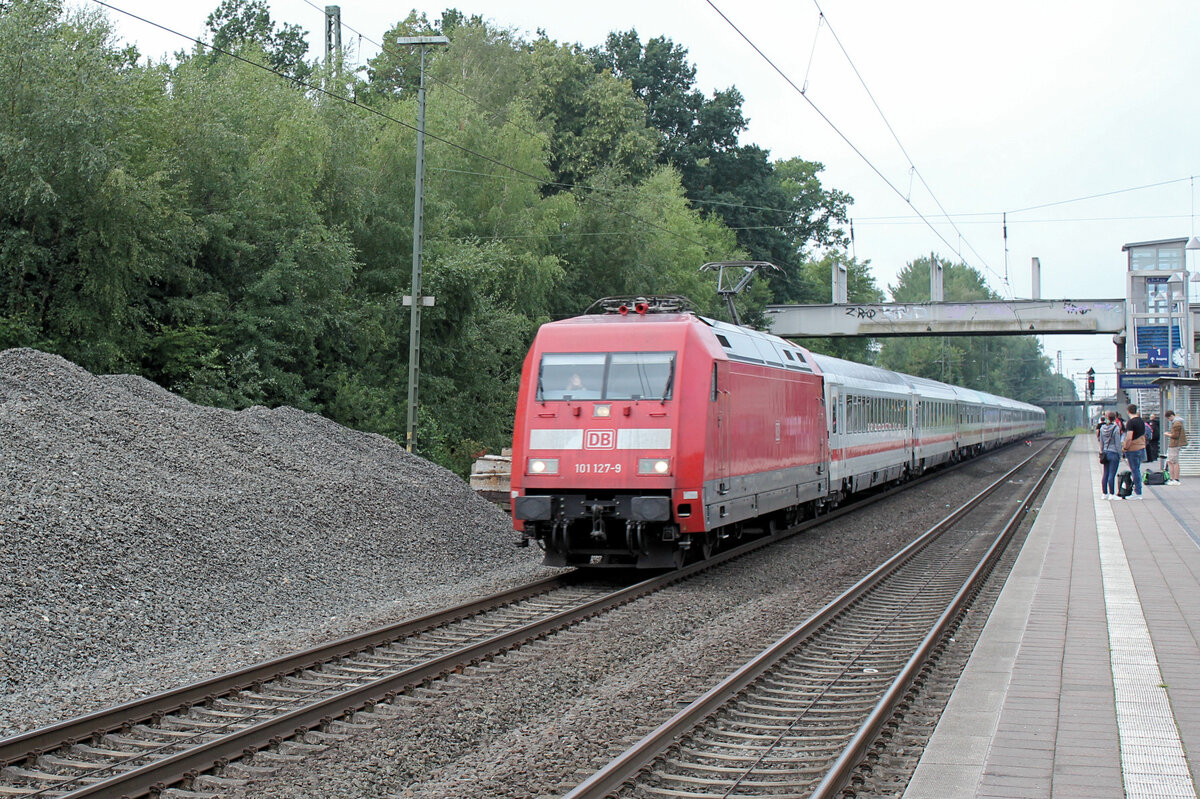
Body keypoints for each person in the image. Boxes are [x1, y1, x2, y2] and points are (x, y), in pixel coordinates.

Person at [1122, 403, 1147, 499]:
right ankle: (1138, 491)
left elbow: (1129, 438)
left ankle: (1138, 493)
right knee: (1137, 469)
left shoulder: (1130, 423)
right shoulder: (1141, 421)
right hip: (1141, 448)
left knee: (1135, 470)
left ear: (1128, 411)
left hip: (1133, 449)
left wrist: (1125, 448)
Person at [1098, 410, 1122, 499]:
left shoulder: (1102, 428)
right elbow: (1118, 443)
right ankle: (1112, 494)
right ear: (1115, 418)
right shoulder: (1116, 428)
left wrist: (1102, 452)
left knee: (1105, 474)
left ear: (1107, 418)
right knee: (1112, 474)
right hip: (1114, 453)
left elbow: (1101, 441)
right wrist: (1120, 454)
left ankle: (1104, 493)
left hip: (1105, 452)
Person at [1165, 409, 1188, 485]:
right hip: (1175, 444)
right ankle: (1174, 479)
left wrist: (1168, 434)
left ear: (1171, 416)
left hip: (1175, 444)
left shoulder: (1176, 423)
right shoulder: (1177, 423)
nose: (1169, 420)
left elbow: (1175, 435)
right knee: (1172, 461)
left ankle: (1174, 479)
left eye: (1168, 418)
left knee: (1172, 462)